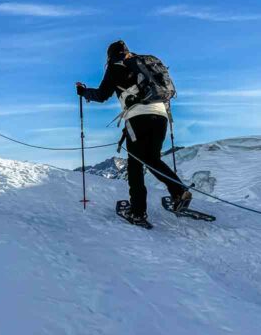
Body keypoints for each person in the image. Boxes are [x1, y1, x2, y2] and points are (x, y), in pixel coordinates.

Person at [76, 39, 191, 225]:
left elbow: (102, 95)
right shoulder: (145, 64)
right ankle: (179, 192)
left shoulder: (115, 66)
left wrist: (83, 92)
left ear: (110, 56)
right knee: (152, 159)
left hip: (138, 117)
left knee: (135, 165)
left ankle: (138, 212)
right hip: (161, 116)